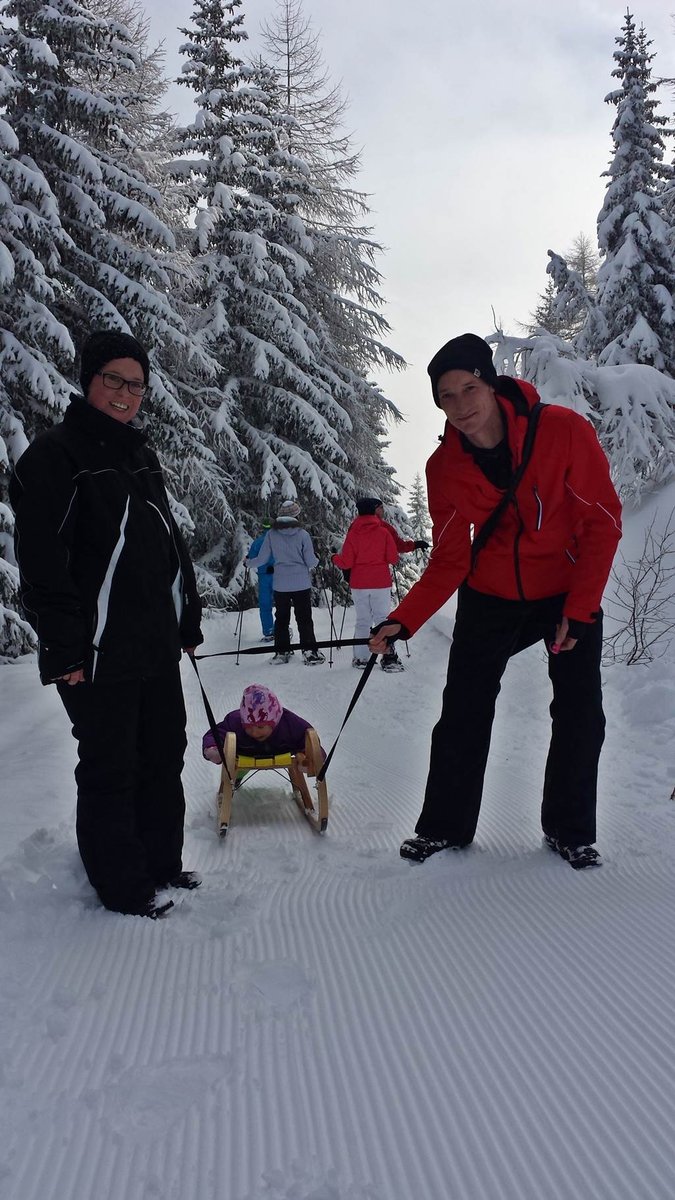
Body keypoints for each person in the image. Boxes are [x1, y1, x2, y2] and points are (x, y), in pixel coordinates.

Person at [369, 332, 622, 870]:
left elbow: (602, 524)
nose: (461, 406)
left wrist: (579, 609)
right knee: (463, 708)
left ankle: (569, 830)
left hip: (564, 590)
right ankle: (444, 827)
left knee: (580, 712)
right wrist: (401, 621)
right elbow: (449, 559)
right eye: (446, 397)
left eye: (469, 388)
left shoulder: (563, 432)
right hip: (490, 595)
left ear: (491, 381)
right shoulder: (446, 469)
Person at [9, 330, 204, 918]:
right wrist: (65, 648)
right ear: (89, 379)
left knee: (164, 753)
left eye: (135, 383)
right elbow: (42, 564)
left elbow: (168, 547)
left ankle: (160, 862)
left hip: (153, 644)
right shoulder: (54, 457)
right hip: (94, 653)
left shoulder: (139, 457)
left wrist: (186, 614)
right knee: (110, 763)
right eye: (113, 380)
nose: (124, 393)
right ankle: (122, 886)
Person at [245, 500, 325, 665]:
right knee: (304, 618)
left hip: (280, 583)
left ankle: (282, 652)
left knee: (281, 618)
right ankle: (309, 651)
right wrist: (318, 560)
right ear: (296, 515)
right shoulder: (303, 534)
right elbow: (310, 561)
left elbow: (262, 558)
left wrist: (248, 562)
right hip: (301, 583)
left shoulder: (272, 535)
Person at [332, 498, 403, 671]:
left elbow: (346, 562)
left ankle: (361, 658)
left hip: (360, 583)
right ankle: (389, 658)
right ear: (373, 511)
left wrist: (334, 558)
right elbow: (393, 558)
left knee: (363, 620)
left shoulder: (353, 533)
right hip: (380, 582)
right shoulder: (383, 532)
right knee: (382, 619)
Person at [202, 683, 325, 770]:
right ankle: (237, 777)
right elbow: (216, 733)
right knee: (238, 766)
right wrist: (213, 748)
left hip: (282, 751)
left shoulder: (288, 723)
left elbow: (309, 738)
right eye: (248, 727)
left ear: (275, 721)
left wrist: (310, 756)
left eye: (260, 727)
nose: (254, 732)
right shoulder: (235, 722)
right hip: (245, 755)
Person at [247, 521, 275, 640]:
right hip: (278, 575)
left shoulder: (258, 542)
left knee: (265, 604)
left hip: (264, 576)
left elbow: (252, 558)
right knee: (281, 603)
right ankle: (281, 628)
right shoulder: (278, 541)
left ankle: (268, 631)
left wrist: (247, 561)